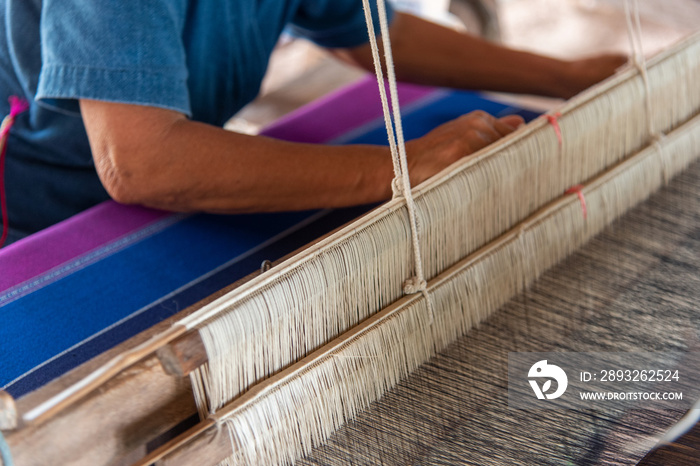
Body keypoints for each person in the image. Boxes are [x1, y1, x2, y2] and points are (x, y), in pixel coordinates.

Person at [0, 0, 625, 244]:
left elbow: (372, 34)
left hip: (150, 187)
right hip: (36, 221)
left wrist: (565, 78)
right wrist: (400, 167)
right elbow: (143, 163)